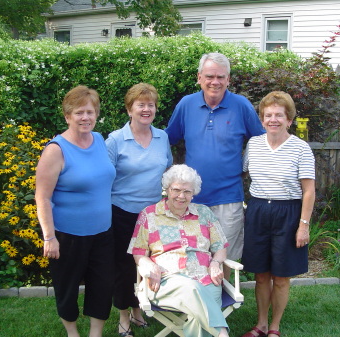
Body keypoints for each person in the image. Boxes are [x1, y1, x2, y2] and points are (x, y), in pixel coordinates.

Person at [165, 52, 265, 277]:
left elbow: (261, 142)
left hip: (228, 199)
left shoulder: (241, 106)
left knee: (223, 259)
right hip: (190, 199)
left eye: (221, 77)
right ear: (199, 77)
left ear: (228, 79)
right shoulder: (186, 105)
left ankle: (219, 307)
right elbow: (167, 140)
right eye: (209, 76)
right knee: (192, 256)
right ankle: (196, 306)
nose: (215, 82)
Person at [35, 85, 116, 337]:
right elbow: (42, 197)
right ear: (67, 116)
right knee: (67, 288)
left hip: (103, 232)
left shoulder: (100, 140)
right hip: (67, 236)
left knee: (102, 286)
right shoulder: (55, 150)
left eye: (90, 112)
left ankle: (96, 333)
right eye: (79, 112)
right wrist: (49, 237)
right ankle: (72, 332)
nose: (85, 117)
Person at [240, 91, 316, 337]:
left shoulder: (301, 149)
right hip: (259, 210)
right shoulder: (253, 145)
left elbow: (309, 191)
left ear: (289, 120)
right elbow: (242, 174)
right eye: (268, 115)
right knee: (261, 275)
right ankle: (261, 324)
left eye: (279, 115)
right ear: (262, 120)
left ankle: (275, 326)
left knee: (281, 276)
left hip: (289, 213)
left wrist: (303, 225)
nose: (273, 119)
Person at [128, 164, 230, 337]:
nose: (181, 196)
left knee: (199, 311)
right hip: (166, 281)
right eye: (176, 190)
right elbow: (138, 252)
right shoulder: (150, 215)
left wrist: (215, 262)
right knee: (191, 287)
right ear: (167, 189)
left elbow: (220, 247)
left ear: (194, 193)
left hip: (206, 278)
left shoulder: (204, 213)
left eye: (187, 192)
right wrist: (149, 266)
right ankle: (221, 332)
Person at [105, 83, 173, 337]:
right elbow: (104, 178)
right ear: (129, 109)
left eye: (151, 105)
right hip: (122, 213)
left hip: (152, 216)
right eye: (140, 105)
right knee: (123, 267)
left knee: (146, 265)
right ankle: (124, 318)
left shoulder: (162, 137)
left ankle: (138, 311)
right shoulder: (114, 140)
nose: (146, 109)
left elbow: (166, 170)